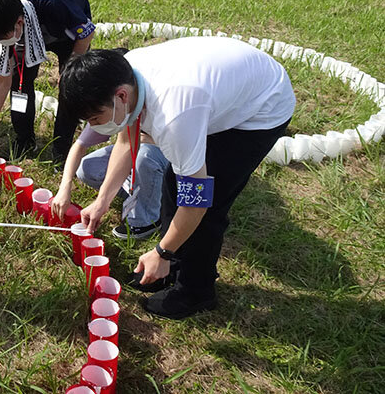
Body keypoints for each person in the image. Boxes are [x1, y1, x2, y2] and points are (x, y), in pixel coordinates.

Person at [59, 37, 295, 319]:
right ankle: (171, 267)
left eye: (96, 118)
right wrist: (102, 202)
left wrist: (162, 252)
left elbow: (197, 203)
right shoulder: (125, 73)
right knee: (174, 181)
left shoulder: (174, 117)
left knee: (211, 201)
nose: (94, 127)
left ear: (121, 96)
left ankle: (195, 291)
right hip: (220, 89)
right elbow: (126, 142)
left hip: (261, 108)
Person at [0, 0, 95, 162]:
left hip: (66, 32)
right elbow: (2, 80)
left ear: (19, 23)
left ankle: (61, 151)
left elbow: (86, 33)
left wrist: (71, 64)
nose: (1, 42)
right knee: (19, 81)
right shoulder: (5, 26)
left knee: (69, 86)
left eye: (2, 38)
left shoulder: (56, 4)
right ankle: (25, 140)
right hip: (29, 33)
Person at [51, 128, 169, 239]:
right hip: (137, 147)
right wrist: (64, 188)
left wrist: (144, 141)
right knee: (87, 167)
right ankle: (143, 194)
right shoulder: (109, 111)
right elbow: (79, 145)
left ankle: (146, 221)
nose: (94, 122)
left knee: (144, 156)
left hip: (168, 156)